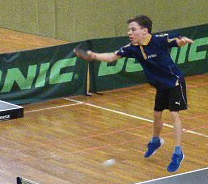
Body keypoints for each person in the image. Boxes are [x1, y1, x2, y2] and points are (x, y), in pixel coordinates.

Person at [75, 15, 193, 173]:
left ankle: (178, 152)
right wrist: (93, 55)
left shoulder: (159, 40)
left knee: (174, 114)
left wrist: (182, 42)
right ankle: (156, 140)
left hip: (174, 82)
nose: (129, 33)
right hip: (160, 85)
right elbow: (112, 57)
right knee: (157, 114)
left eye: (133, 29)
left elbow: (176, 40)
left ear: (144, 31)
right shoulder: (132, 48)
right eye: (129, 30)